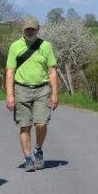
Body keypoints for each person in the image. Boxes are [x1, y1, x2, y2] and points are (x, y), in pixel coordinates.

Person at [5, 16, 59, 171]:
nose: (30, 32)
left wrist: (55, 94)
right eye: (27, 29)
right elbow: (10, 71)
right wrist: (10, 95)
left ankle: (38, 149)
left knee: (41, 124)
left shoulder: (46, 46)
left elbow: (52, 71)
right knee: (25, 125)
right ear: (23, 30)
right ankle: (28, 158)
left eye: (33, 29)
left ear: (38, 30)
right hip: (21, 89)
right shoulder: (15, 46)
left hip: (42, 89)